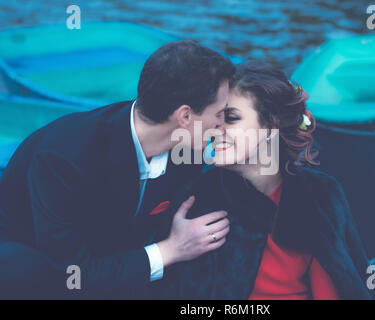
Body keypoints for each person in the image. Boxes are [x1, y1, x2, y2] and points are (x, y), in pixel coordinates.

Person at [0, 40, 234, 299]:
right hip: (42, 268)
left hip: (118, 254)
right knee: (19, 267)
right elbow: (72, 275)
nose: (224, 125)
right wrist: (169, 250)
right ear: (185, 116)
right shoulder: (63, 159)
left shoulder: (188, 147)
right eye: (220, 114)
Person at [159, 61, 375, 300]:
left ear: (270, 127)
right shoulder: (197, 196)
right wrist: (172, 248)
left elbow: (338, 288)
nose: (215, 129)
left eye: (231, 118)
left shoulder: (318, 194)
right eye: (215, 118)